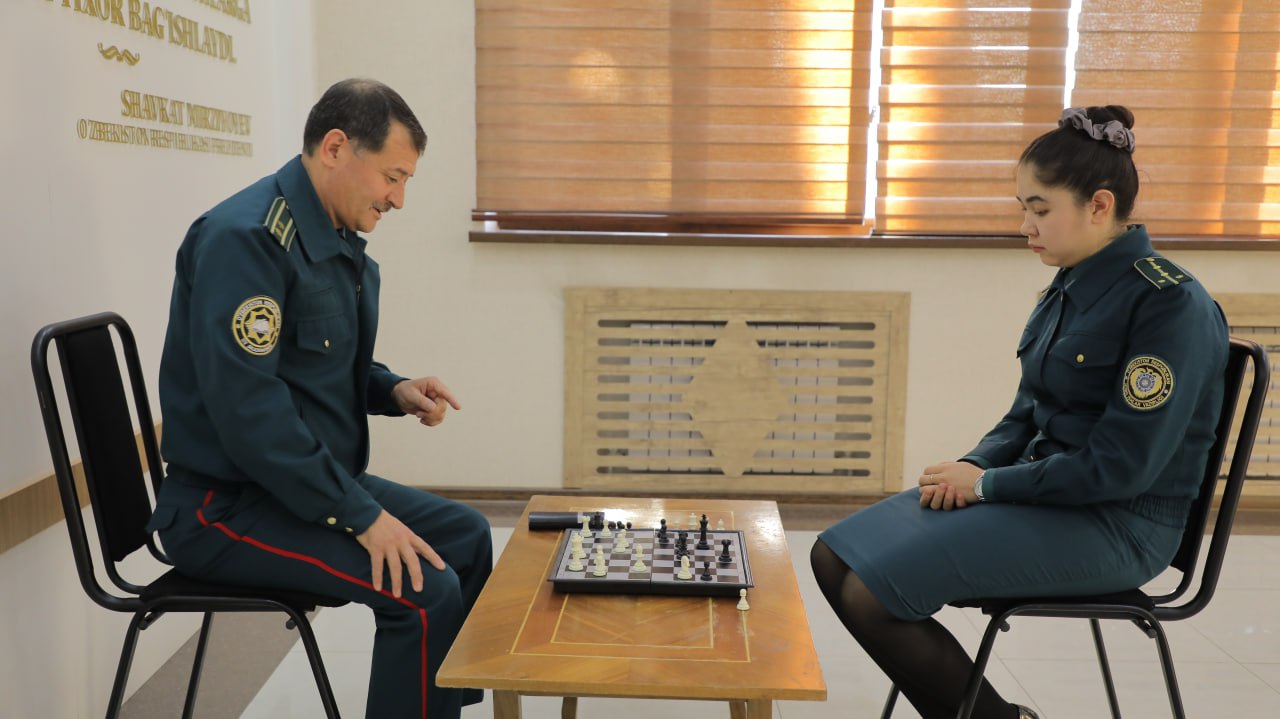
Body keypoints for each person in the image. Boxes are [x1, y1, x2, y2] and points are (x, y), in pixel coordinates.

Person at [810, 106, 1228, 719]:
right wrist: (973, 466)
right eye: (1022, 208)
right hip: (1053, 500)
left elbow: (1119, 469)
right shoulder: (1071, 283)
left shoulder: (1169, 304)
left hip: (1119, 525)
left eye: (1040, 209)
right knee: (832, 557)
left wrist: (985, 486)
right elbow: (1026, 412)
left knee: (872, 593)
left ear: (1099, 205)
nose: (1025, 227)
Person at [146, 78, 492, 719]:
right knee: (423, 591)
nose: (398, 198)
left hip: (293, 488)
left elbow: (313, 364)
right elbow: (251, 413)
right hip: (223, 508)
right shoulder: (246, 239)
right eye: (393, 176)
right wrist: (361, 517)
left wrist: (392, 389)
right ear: (335, 148)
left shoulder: (324, 233)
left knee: (467, 537)